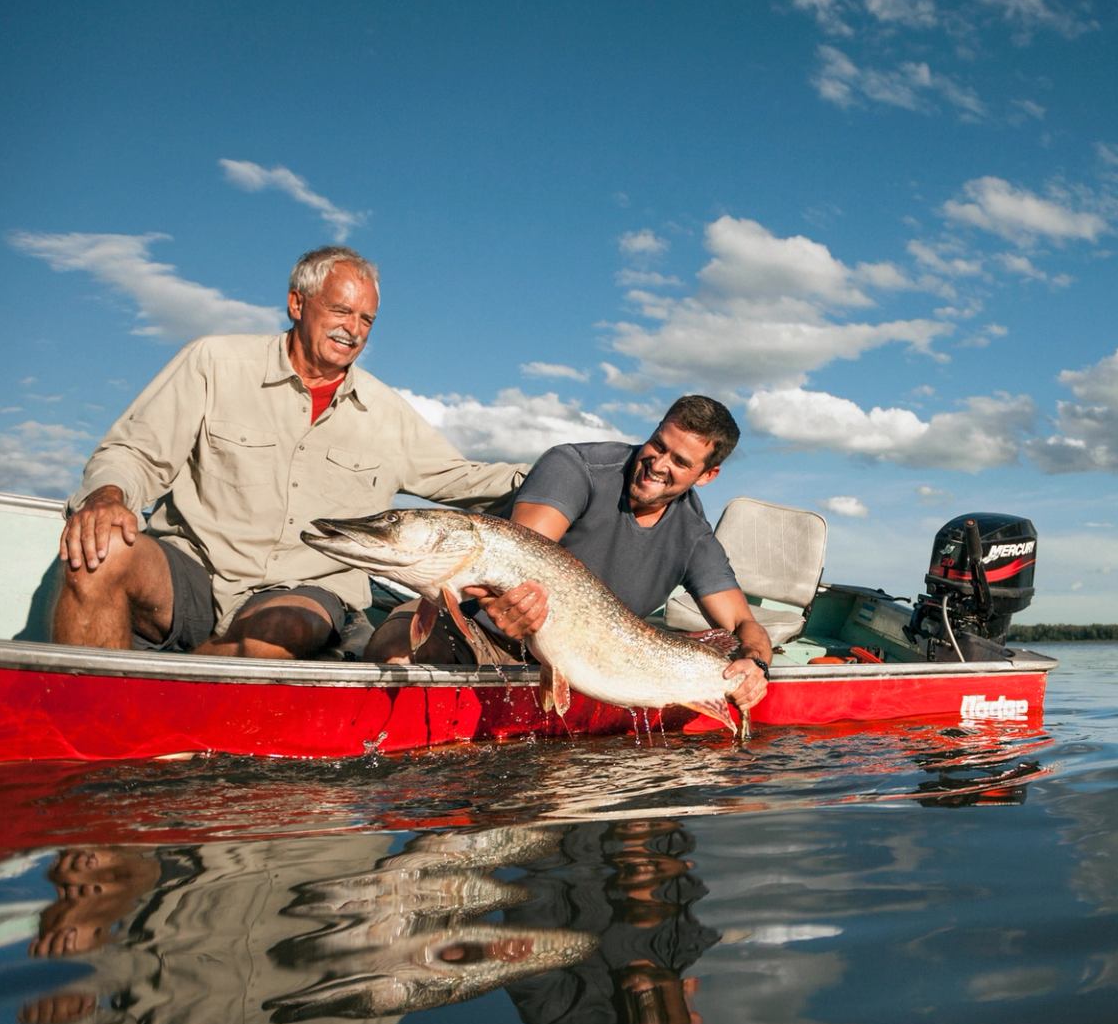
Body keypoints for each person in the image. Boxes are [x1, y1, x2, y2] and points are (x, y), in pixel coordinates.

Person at [53, 246, 526, 658]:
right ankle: (80, 724)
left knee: (280, 630)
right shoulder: (213, 362)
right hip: (194, 571)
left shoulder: (387, 412)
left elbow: (467, 481)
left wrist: (577, 470)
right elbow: (133, 452)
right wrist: (107, 497)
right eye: (341, 311)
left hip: (306, 592)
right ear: (297, 303)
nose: (353, 330)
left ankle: (158, 702)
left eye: (366, 320)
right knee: (100, 550)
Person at [368, 394, 771, 710]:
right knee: (394, 649)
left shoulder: (695, 536)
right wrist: (509, 604)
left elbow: (743, 625)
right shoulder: (576, 466)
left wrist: (756, 665)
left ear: (707, 475)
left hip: (579, 668)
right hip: (475, 629)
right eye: (657, 444)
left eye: (680, 462)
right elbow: (517, 555)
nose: (657, 464)